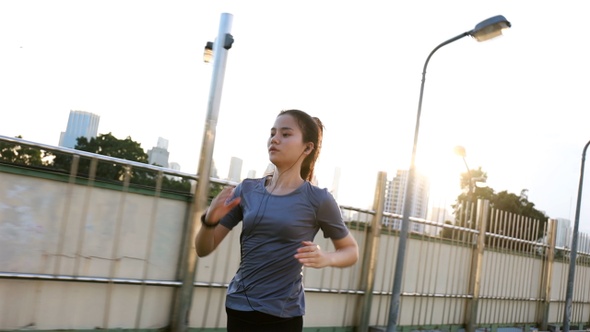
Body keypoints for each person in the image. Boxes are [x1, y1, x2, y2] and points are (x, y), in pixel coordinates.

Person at [195, 109, 359, 332]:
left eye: (286, 134)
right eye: (272, 133)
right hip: (238, 307)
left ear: (307, 147)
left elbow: (351, 251)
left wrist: (326, 258)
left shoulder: (319, 199)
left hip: (282, 316)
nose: (275, 139)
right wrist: (209, 221)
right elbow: (203, 249)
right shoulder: (247, 190)